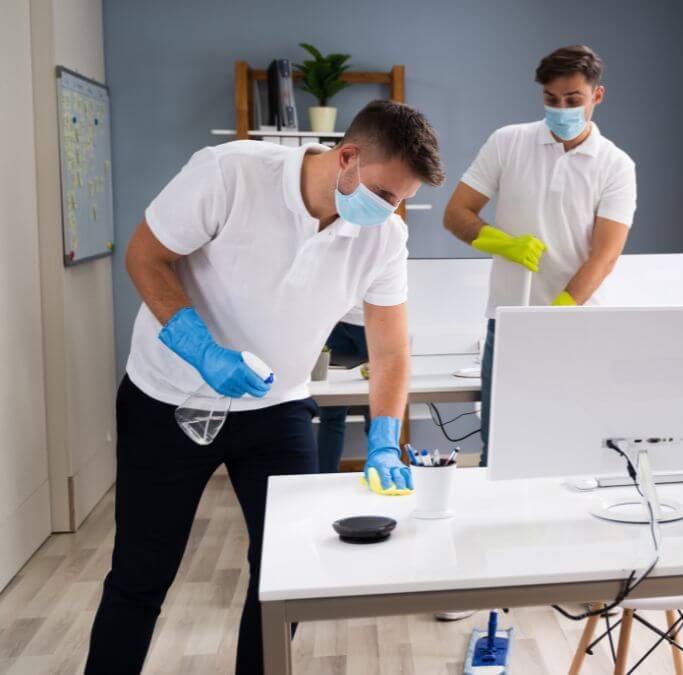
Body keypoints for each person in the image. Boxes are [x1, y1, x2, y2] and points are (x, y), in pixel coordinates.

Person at [85, 100, 444, 674]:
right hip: (168, 400)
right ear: (347, 157)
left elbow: (391, 346)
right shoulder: (229, 173)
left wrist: (383, 436)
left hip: (278, 408)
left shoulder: (383, 239)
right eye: (384, 194)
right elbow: (146, 256)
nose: (389, 210)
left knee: (286, 571)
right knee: (142, 572)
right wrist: (200, 349)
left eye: (399, 199)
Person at [444, 44, 637, 468]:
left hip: (579, 326)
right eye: (551, 99)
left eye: (573, 100)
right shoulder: (508, 142)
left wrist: (559, 312)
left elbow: (604, 256)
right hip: (510, 321)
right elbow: (456, 214)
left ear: (597, 96)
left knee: (577, 448)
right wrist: (501, 241)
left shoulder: (615, 165)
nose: (561, 108)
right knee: (503, 451)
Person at [316, 308, 370, 473]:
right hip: (367, 316)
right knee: (377, 413)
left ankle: (324, 479)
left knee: (332, 417)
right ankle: (384, 477)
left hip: (337, 316)